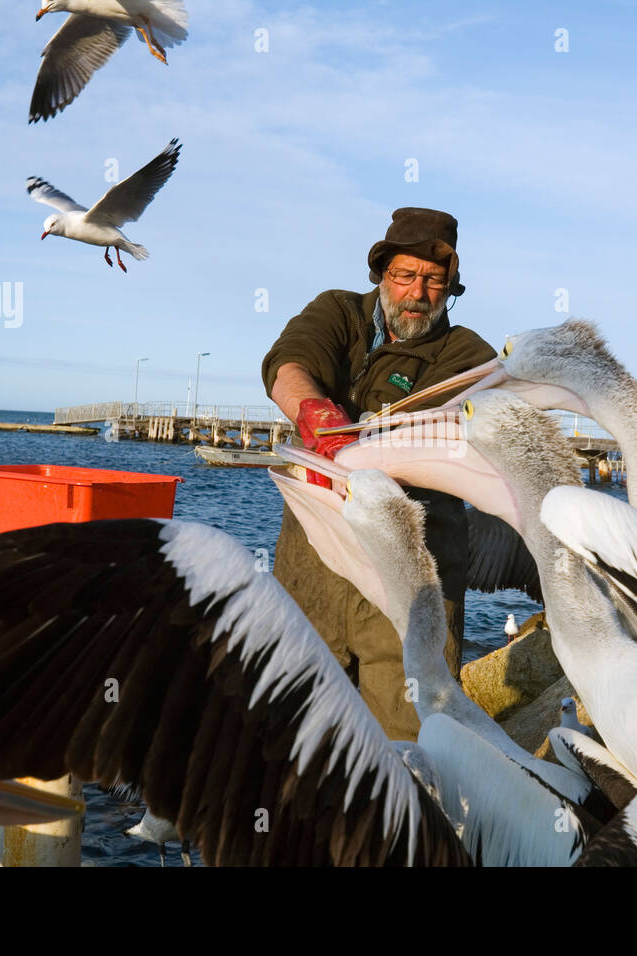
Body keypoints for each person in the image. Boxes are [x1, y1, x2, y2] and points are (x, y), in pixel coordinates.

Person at [262, 207, 496, 740]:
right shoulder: (337, 312)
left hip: (412, 575)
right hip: (313, 559)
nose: (418, 292)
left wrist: (374, 447)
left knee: (409, 737)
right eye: (406, 275)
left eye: (435, 281)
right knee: (294, 728)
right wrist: (312, 412)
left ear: (450, 287)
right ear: (382, 272)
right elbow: (288, 363)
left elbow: (463, 432)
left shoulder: (471, 356)